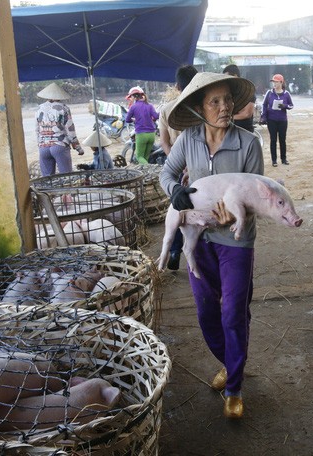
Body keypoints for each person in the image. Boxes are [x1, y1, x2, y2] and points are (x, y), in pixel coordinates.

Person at [160, 72, 264, 419]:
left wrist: (234, 217)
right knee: (207, 310)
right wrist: (174, 192)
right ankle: (229, 361)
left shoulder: (249, 144)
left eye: (228, 100)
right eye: (215, 102)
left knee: (234, 310)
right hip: (198, 239)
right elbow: (167, 173)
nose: (224, 107)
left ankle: (234, 387)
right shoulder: (188, 140)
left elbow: (258, 199)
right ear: (199, 108)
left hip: (236, 241)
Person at [158, 64, 199, 270]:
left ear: (177, 85)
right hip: (198, 168)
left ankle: (174, 250)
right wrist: (189, 168)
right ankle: (196, 247)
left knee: (176, 208)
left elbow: (164, 142)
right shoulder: (202, 107)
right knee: (199, 208)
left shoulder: (166, 109)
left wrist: (176, 165)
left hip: (177, 166)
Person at [35, 82, 84, 176]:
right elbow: (70, 130)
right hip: (59, 146)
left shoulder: (39, 109)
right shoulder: (64, 108)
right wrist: (78, 148)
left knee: (47, 180)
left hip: (43, 147)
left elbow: (37, 130)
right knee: (66, 177)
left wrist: (41, 144)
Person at [261, 74, 293, 167]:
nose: (274, 84)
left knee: (282, 140)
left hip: (283, 120)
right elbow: (264, 105)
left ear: (281, 82)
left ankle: (284, 159)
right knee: (273, 140)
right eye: (273, 82)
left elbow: (291, 105)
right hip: (272, 120)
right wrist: (264, 116)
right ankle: (274, 160)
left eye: (276, 82)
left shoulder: (286, 94)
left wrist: (285, 106)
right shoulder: (269, 93)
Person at [124, 86, 159, 165]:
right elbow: (156, 116)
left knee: (139, 157)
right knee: (145, 157)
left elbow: (127, 120)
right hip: (152, 135)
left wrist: (134, 120)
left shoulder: (133, 107)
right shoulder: (149, 105)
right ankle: (145, 173)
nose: (130, 99)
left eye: (131, 97)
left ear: (134, 97)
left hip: (141, 134)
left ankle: (150, 169)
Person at [222, 64, 256, 132]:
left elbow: (247, 114)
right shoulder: (228, 92)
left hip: (245, 130)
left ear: (235, 76)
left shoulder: (247, 91)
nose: (226, 80)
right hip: (230, 130)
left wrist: (228, 117)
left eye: (227, 77)